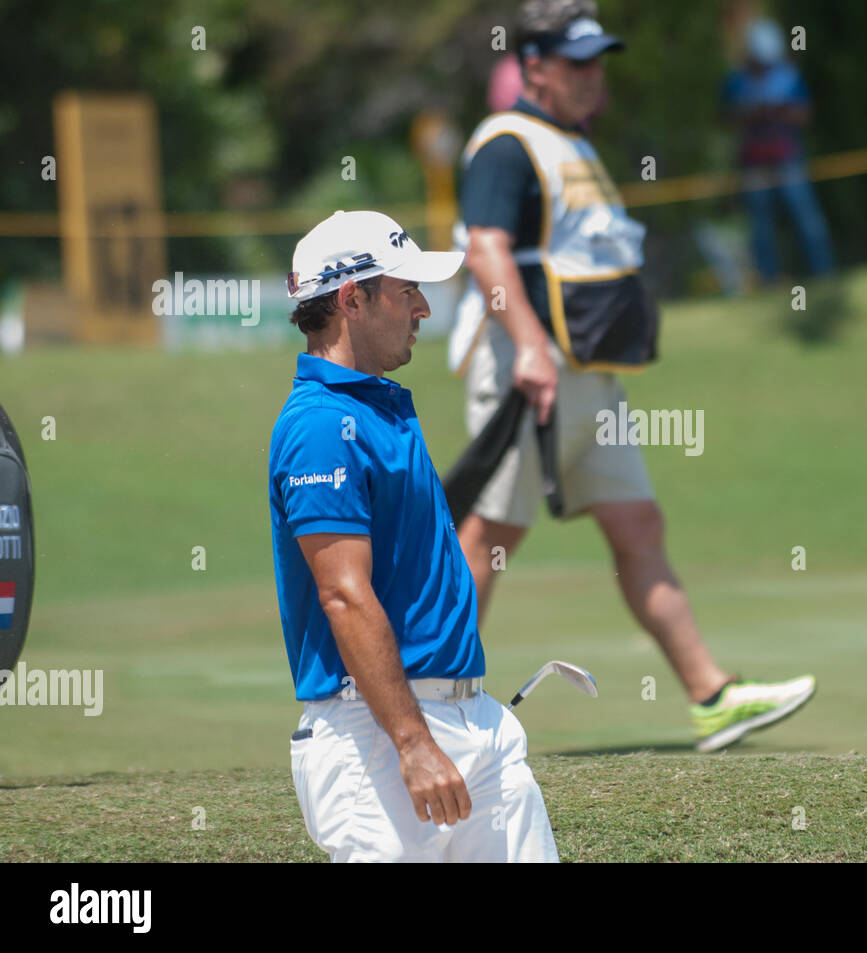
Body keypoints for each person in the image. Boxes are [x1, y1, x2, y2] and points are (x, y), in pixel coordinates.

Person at [447, 0, 816, 752]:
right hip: (531, 377)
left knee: (639, 525)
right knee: (487, 538)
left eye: (598, 61)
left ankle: (713, 697)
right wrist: (526, 345)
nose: (593, 76)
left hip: (590, 380)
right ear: (536, 66)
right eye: (577, 62)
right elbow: (485, 252)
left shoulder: (570, 142)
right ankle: (431, 705)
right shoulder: (505, 144)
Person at [269, 210, 558, 862]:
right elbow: (343, 594)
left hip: (470, 718)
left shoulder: (377, 404)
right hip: (377, 736)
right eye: (407, 291)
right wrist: (412, 741)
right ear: (352, 299)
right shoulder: (321, 425)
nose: (423, 308)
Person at [722, 17, 834, 285]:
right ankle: (768, 281)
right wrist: (752, 114)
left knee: (807, 220)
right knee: (760, 227)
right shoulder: (737, 81)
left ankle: (824, 275)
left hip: (788, 158)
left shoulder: (788, 76)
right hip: (754, 163)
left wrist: (781, 112)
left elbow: (806, 115)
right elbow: (725, 118)